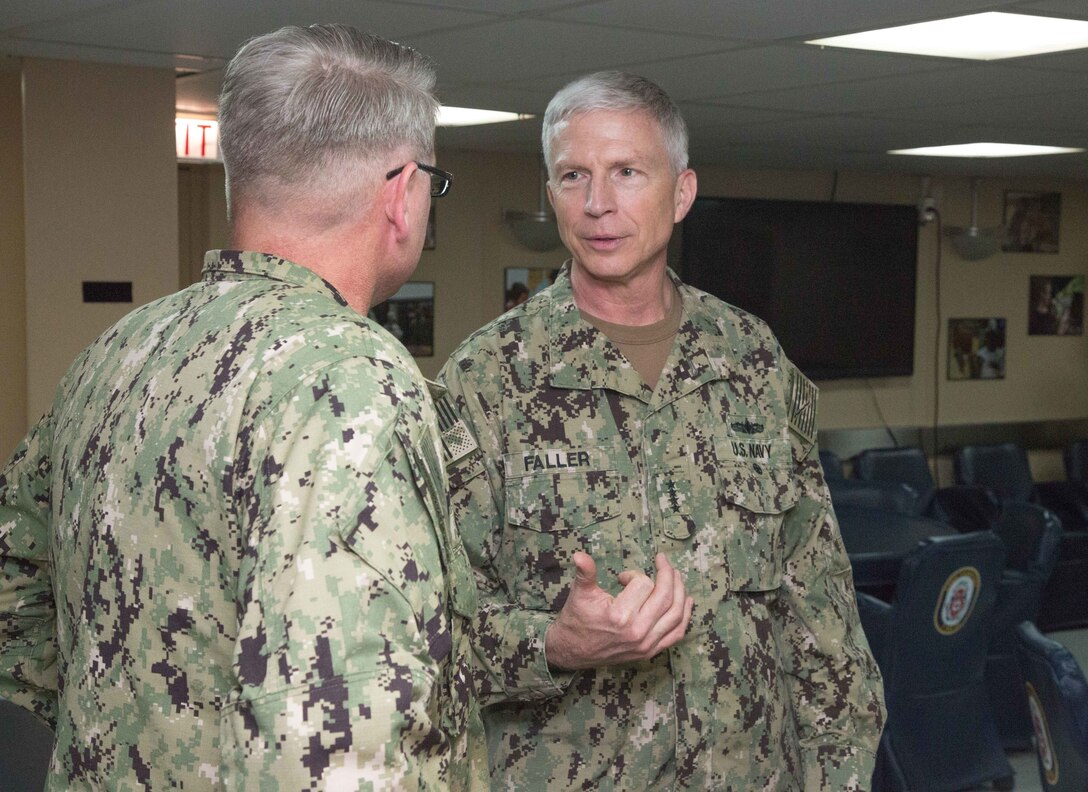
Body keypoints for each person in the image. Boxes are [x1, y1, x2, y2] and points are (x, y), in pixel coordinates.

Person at [0, 24, 485, 790]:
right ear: (402, 194)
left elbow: (15, 601)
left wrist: (145, 722)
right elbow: (339, 743)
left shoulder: (119, 350)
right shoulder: (351, 378)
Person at [440, 71, 885, 790]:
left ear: (680, 193)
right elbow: (431, 636)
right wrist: (555, 642)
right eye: (573, 176)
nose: (597, 204)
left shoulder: (752, 358)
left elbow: (820, 606)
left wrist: (841, 775)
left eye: (626, 173)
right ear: (550, 194)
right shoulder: (489, 378)